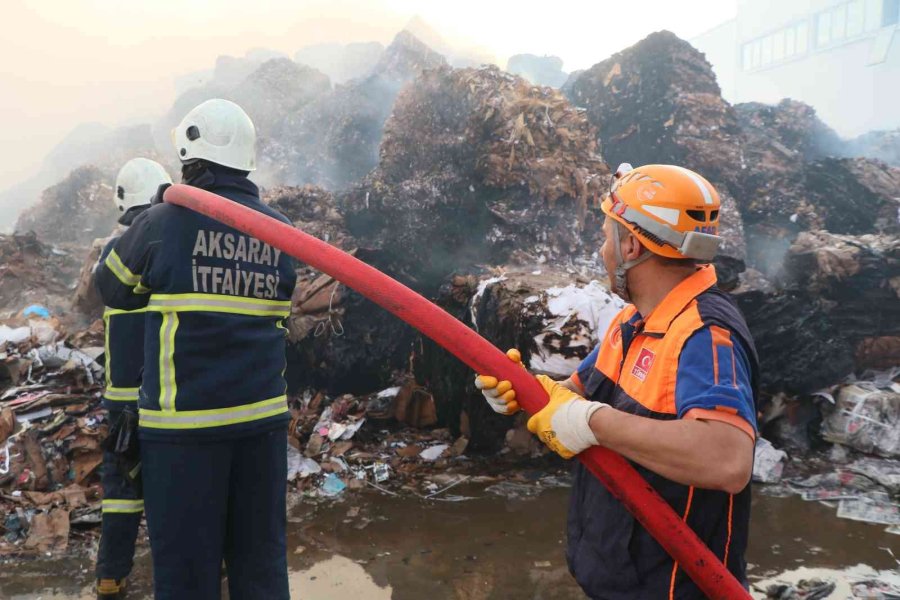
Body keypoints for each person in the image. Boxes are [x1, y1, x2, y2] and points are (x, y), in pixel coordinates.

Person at [476, 164, 759, 599]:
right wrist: (518, 392)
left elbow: (726, 459)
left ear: (630, 244)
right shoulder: (632, 322)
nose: (603, 249)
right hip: (622, 576)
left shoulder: (703, 334)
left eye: (607, 236)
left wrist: (592, 422)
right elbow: (574, 396)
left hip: (674, 589)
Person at [95, 99, 297, 600]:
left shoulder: (161, 222)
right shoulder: (280, 233)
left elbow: (113, 287)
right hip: (262, 427)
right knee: (262, 566)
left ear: (190, 160)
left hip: (184, 434)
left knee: (187, 576)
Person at [95, 158, 172, 599]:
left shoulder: (114, 253)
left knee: (121, 489)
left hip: (120, 400)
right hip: (161, 396)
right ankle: (182, 573)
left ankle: (110, 576)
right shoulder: (167, 245)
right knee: (169, 483)